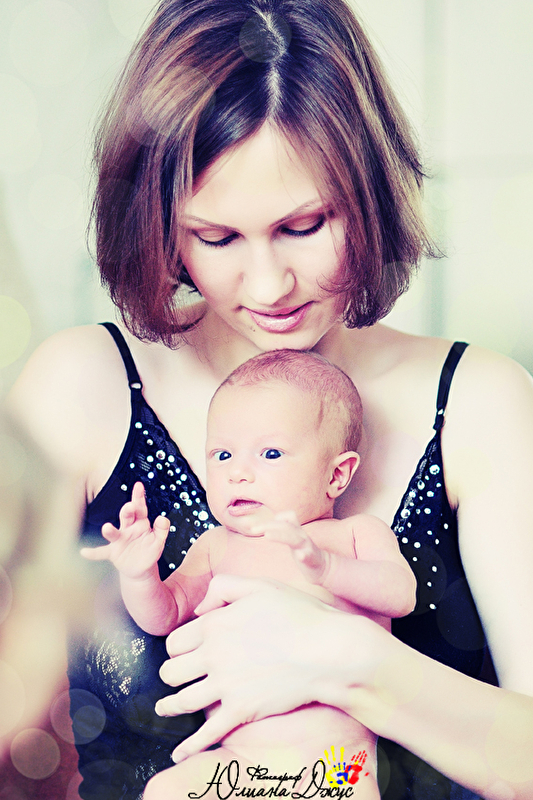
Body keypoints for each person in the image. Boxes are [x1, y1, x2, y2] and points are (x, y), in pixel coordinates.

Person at [6, 0, 533, 798]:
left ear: (368, 189)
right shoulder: (81, 388)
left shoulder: (477, 404)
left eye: (304, 225)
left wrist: (349, 662)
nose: (267, 287)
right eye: (215, 238)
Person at [81, 349, 416, 799]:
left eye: (270, 453)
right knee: (166, 789)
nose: (237, 473)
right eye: (222, 454)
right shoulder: (216, 546)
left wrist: (328, 567)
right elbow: (164, 616)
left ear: (337, 475)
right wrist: (140, 575)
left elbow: (401, 595)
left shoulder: (354, 535)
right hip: (236, 762)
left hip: (337, 762)